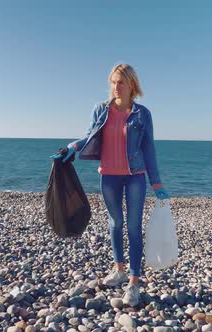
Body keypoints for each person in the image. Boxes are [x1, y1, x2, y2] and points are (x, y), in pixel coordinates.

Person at [51, 63, 169, 306]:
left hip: (135, 175)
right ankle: (119, 270)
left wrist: (156, 182)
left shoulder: (142, 114)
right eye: (113, 82)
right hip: (109, 176)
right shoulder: (101, 110)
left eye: (121, 82)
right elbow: (90, 135)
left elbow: (149, 149)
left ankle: (134, 282)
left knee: (134, 227)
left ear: (131, 85)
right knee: (115, 223)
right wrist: (72, 147)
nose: (116, 87)